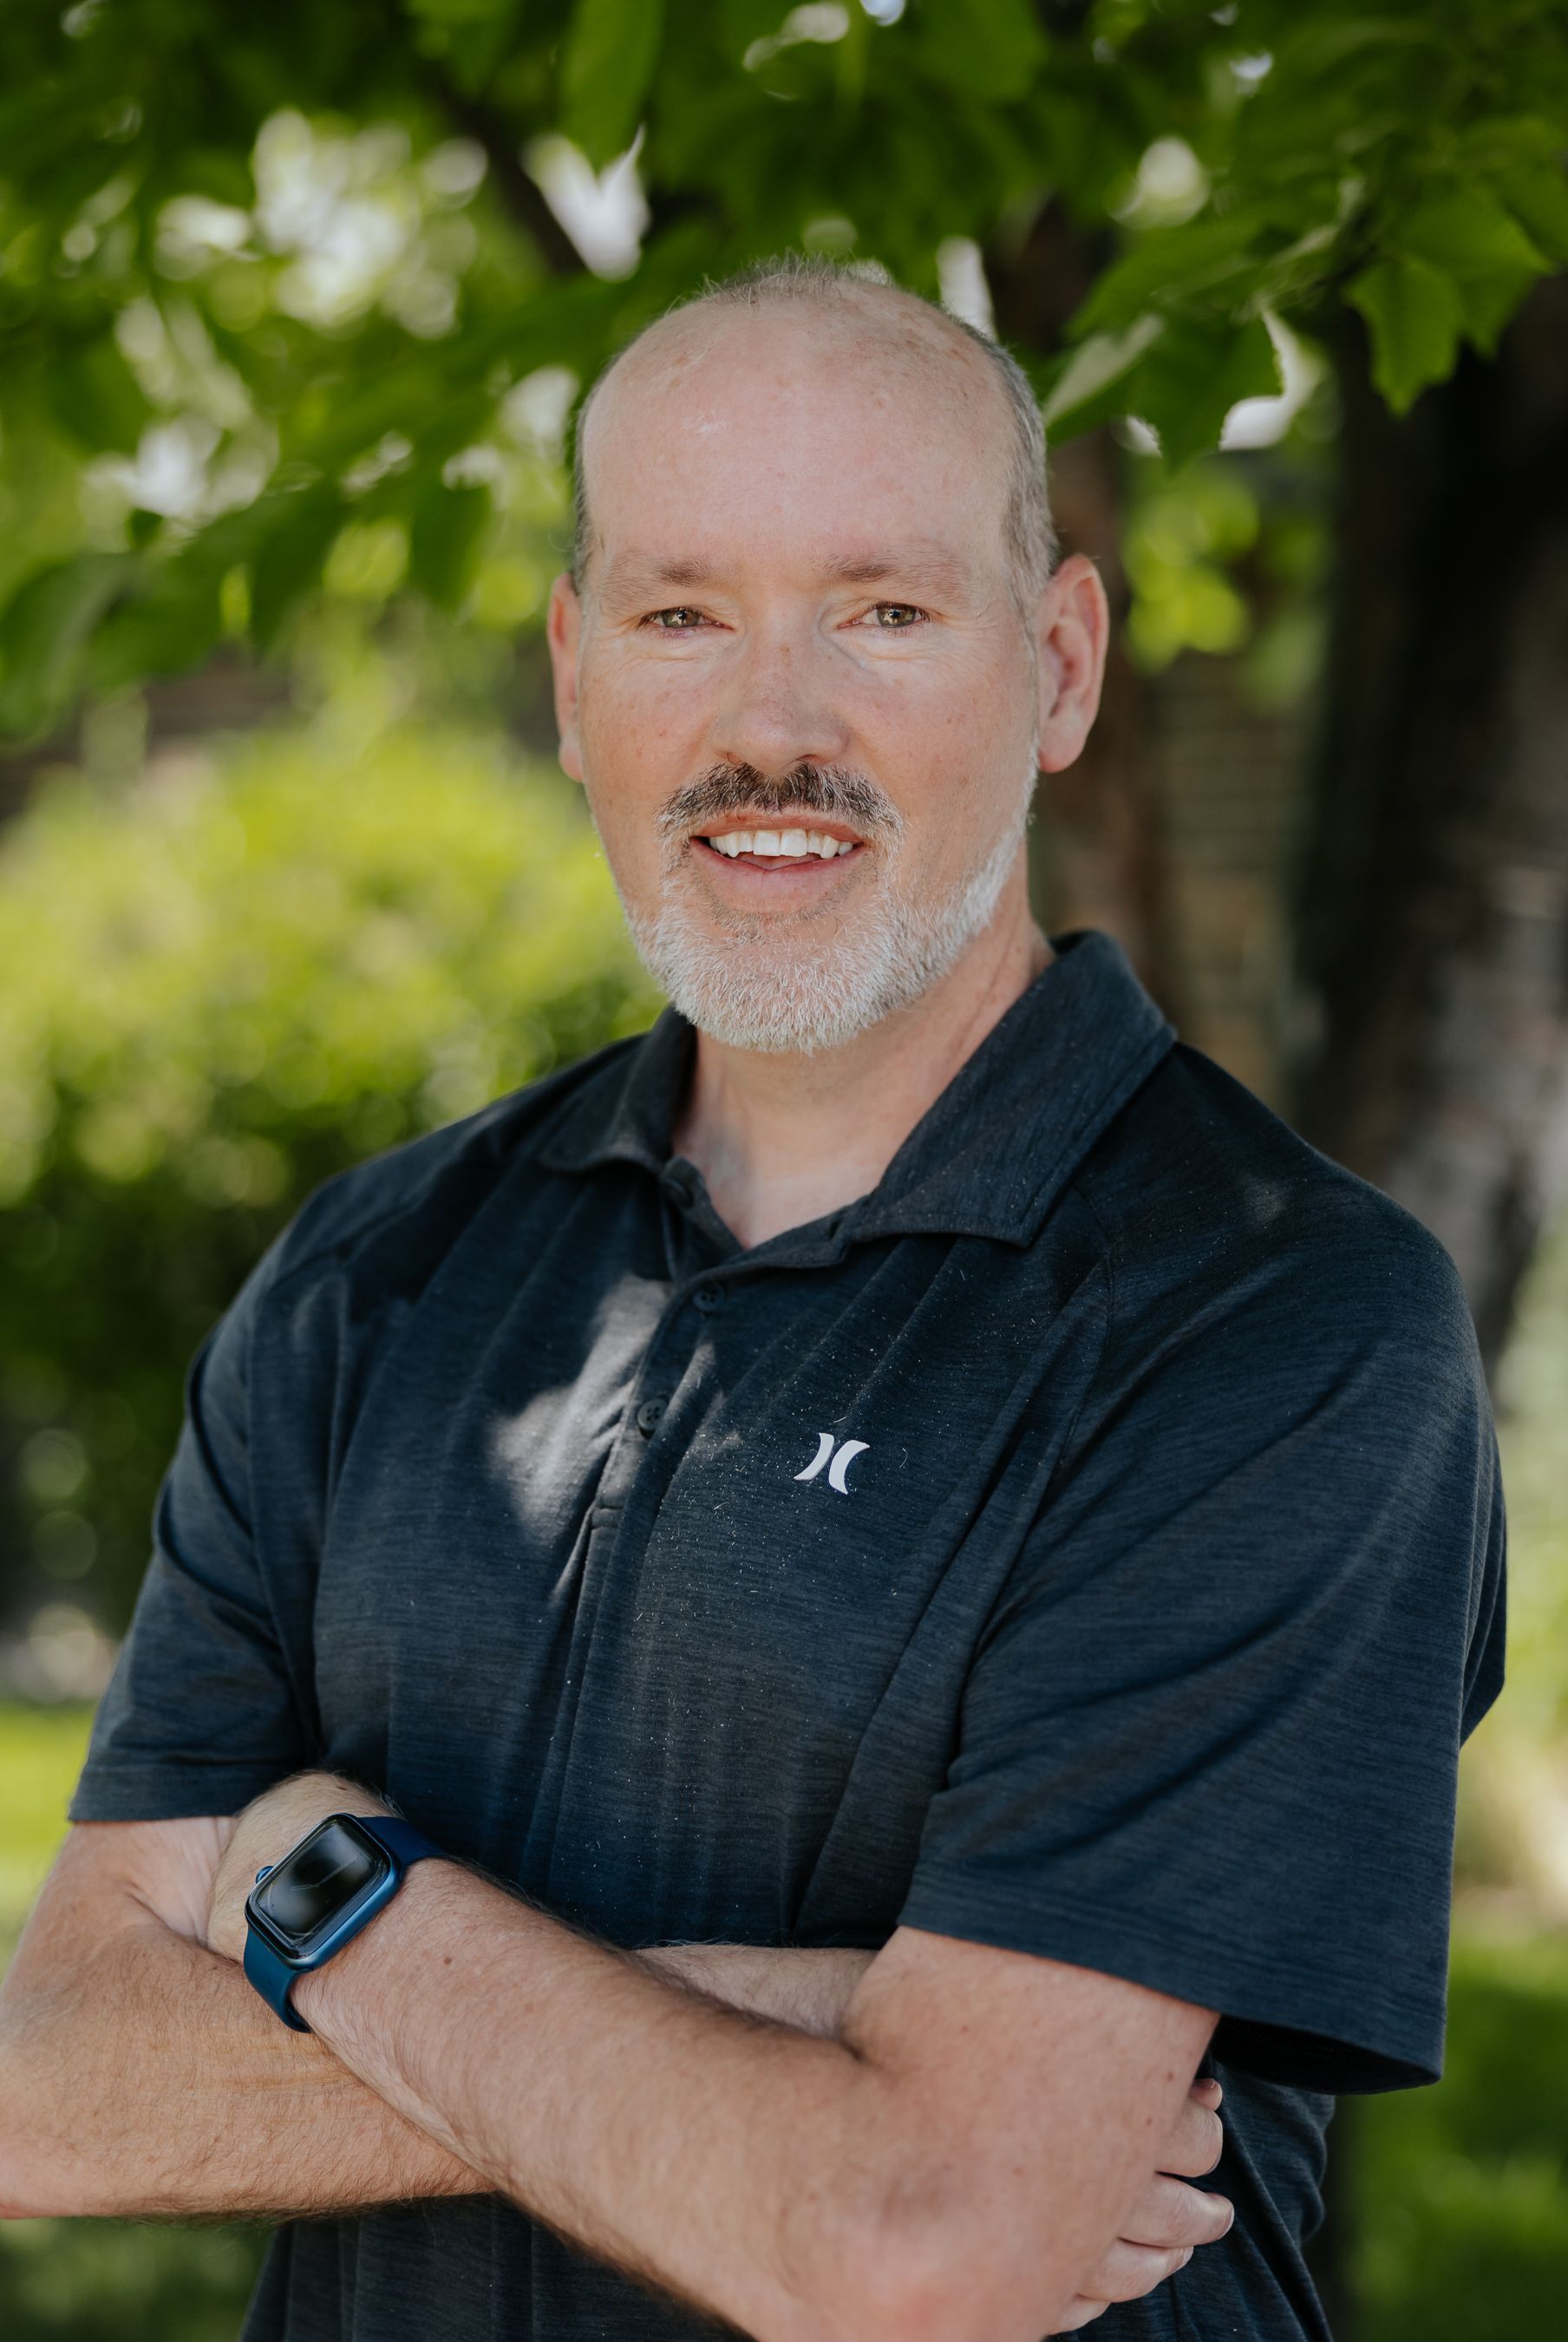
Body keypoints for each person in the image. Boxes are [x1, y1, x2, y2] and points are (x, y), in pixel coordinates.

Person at [0, 257, 1504, 2342]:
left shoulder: (1268, 1321)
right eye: (681, 613)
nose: (770, 729)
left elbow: (914, 2244)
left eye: (883, 612)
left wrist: (328, 1894)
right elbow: (57, 2091)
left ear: (1060, 668)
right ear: (569, 674)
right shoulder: (374, 1274)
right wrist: (799, 2022)